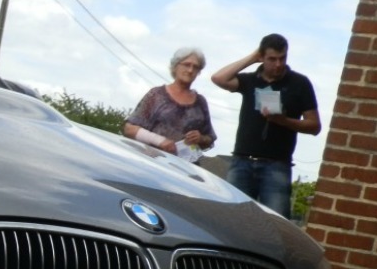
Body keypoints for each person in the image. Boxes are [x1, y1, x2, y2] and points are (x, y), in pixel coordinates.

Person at [209, 33, 320, 218]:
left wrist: (283, 121)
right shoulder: (250, 80)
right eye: (272, 59)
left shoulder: (299, 83)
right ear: (262, 57)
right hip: (242, 161)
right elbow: (219, 78)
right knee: (231, 219)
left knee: (276, 224)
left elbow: (314, 126)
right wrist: (252, 58)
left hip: (276, 166)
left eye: (282, 58)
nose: (278, 64)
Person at [122, 47, 217, 162]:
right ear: (175, 66)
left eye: (196, 67)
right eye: (186, 64)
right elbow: (129, 129)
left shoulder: (200, 103)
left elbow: (210, 139)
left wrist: (200, 138)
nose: (190, 70)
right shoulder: (156, 95)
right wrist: (160, 141)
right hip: (151, 162)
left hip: (185, 169)